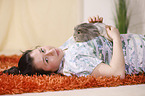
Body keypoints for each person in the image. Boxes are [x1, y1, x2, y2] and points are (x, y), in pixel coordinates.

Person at [3, 16, 145, 79]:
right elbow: (117, 74)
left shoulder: (64, 50)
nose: (51, 51)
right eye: (46, 60)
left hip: (137, 41)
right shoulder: (74, 63)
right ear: (51, 74)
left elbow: (101, 50)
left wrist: (97, 28)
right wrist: (115, 37)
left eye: (42, 50)